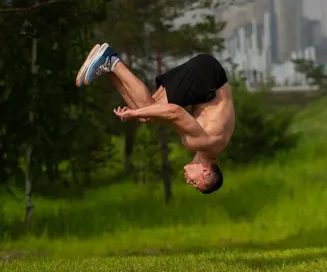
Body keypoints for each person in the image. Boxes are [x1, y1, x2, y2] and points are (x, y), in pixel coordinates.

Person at [75, 43, 235, 193]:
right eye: (194, 182)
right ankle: (110, 61)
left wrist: (137, 112)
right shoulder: (202, 143)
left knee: (145, 112)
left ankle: (108, 68)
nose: (188, 181)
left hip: (209, 76)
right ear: (206, 171)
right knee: (145, 112)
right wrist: (135, 113)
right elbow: (174, 111)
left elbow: (166, 114)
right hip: (208, 77)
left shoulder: (208, 146)